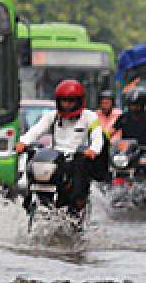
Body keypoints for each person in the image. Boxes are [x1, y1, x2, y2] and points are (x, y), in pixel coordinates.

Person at [16, 79, 104, 207]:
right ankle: (31, 203)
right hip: (56, 159)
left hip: (77, 158)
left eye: (71, 101)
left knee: (76, 189)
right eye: (64, 100)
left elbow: (97, 138)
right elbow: (36, 130)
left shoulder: (90, 117)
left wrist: (93, 150)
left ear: (79, 101)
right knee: (34, 164)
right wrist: (23, 142)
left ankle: (77, 208)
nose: (67, 104)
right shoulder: (52, 116)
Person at [111, 88, 146, 177]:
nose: (132, 107)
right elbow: (111, 131)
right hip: (127, 152)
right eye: (130, 104)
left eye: (134, 105)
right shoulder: (124, 117)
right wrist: (103, 140)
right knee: (112, 164)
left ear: (141, 104)